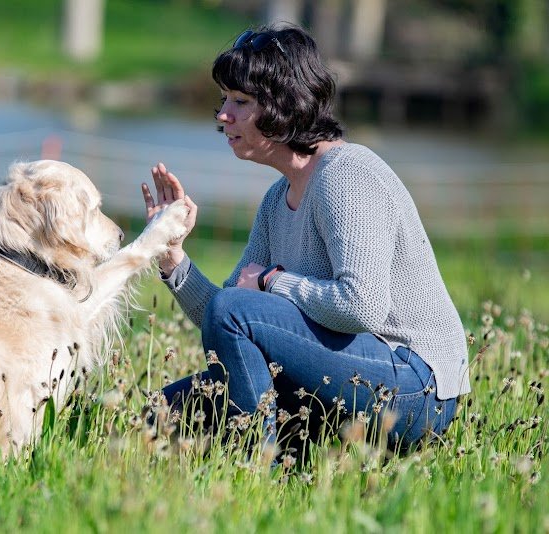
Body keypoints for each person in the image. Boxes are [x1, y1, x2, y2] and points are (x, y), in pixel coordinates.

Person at [140, 23, 470, 456]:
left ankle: (257, 472)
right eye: (225, 101)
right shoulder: (278, 199)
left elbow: (362, 306)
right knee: (161, 414)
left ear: (281, 106)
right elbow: (224, 319)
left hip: (415, 387)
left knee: (233, 316)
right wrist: (171, 255)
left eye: (240, 102)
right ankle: (283, 454)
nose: (223, 115)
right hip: (350, 377)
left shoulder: (347, 175)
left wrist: (273, 280)